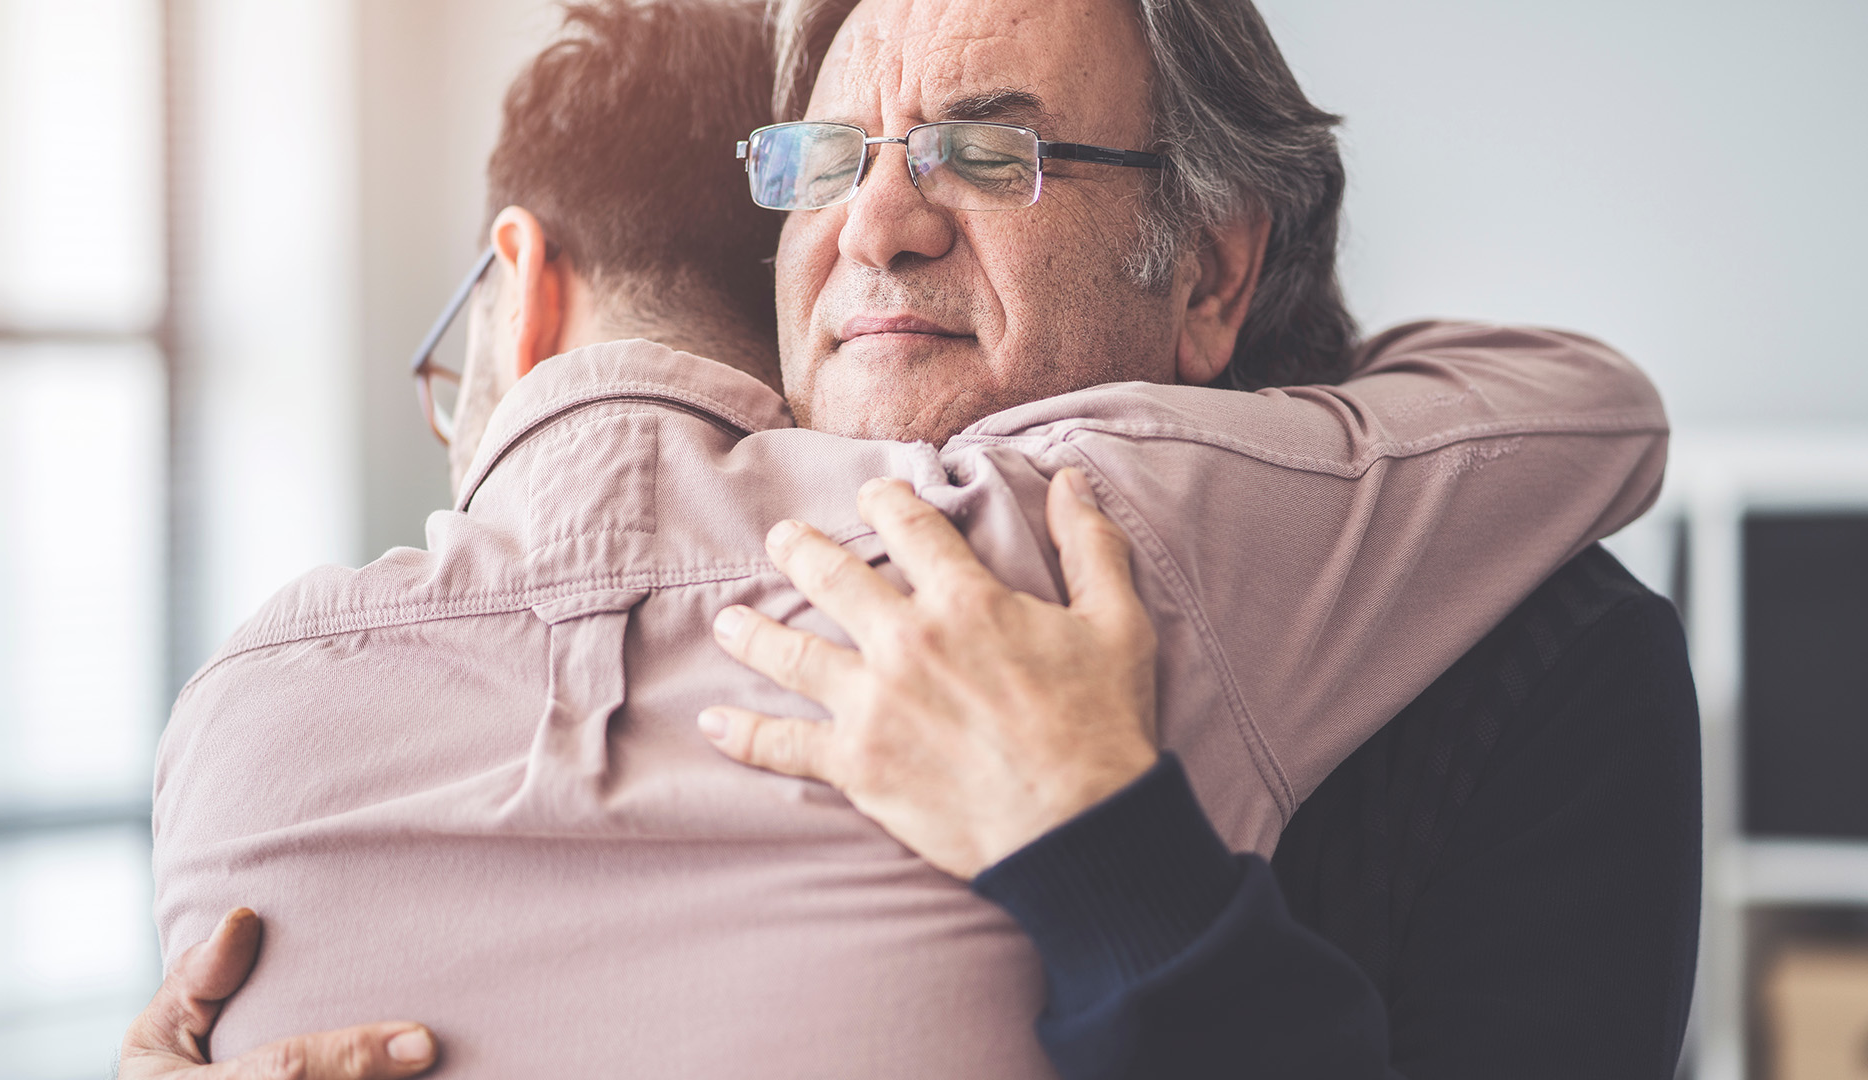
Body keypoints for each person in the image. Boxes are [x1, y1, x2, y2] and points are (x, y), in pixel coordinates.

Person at [118, 0, 1686, 1077]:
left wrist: (1101, 848)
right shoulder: (547, 634)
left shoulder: (1544, 655)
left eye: (988, 152)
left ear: (1210, 278)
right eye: (823, 161)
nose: (880, 222)